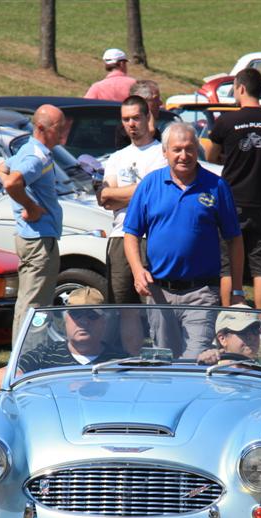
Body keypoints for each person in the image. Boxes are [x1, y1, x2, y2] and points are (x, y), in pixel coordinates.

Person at [123, 123, 244, 359]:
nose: (184, 155)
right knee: (163, 359)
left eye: (189, 149)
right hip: (159, 291)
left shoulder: (216, 186)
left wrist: (237, 289)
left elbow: (235, 239)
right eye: (177, 149)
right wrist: (138, 272)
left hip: (202, 292)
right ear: (165, 152)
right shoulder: (150, 184)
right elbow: (131, 234)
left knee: (195, 359)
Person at [207, 67, 261, 309]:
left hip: (232, 203)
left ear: (240, 88)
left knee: (228, 265)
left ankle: (228, 322)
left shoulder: (226, 121)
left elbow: (210, 155)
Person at [100, 95, 167, 353]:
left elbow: (153, 193)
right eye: (126, 119)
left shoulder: (161, 154)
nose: (131, 124)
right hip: (119, 237)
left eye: (136, 118)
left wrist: (122, 194)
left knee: (154, 304)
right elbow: (105, 198)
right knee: (125, 307)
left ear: (147, 116)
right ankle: (133, 358)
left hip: (151, 238)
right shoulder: (116, 157)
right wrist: (139, 190)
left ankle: (162, 358)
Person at [0, 104, 67, 336]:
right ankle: (27, 360)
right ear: (41, 128)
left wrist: (24, 204)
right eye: (59, 128)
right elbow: (11, 182)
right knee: (36, 306)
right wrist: (30, 206)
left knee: (28, 301)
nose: (63, 133)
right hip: (39, 241)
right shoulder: (35, 157)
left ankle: (23, 356)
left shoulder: (30, 150)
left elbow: (1, 168)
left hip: (32, 237)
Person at [0, 287, 121, 390]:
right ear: (66, 319)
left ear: (103, 322)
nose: (84, 322)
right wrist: (49, 390)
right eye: (77, 315)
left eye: (91, 316)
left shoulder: (120, 359)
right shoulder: (45, 355)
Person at [196, 305, 261, 365]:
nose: (252, 337)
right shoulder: (212, 370)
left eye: (255, 331)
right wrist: (205, 359)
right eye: (243, 332)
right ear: (222, 339)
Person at [113, 79, 162, 150]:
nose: (160, 103)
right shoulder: (126, 128)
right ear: (143, 101)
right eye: (156, 98)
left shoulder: (155, 128)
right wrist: (150, 132)